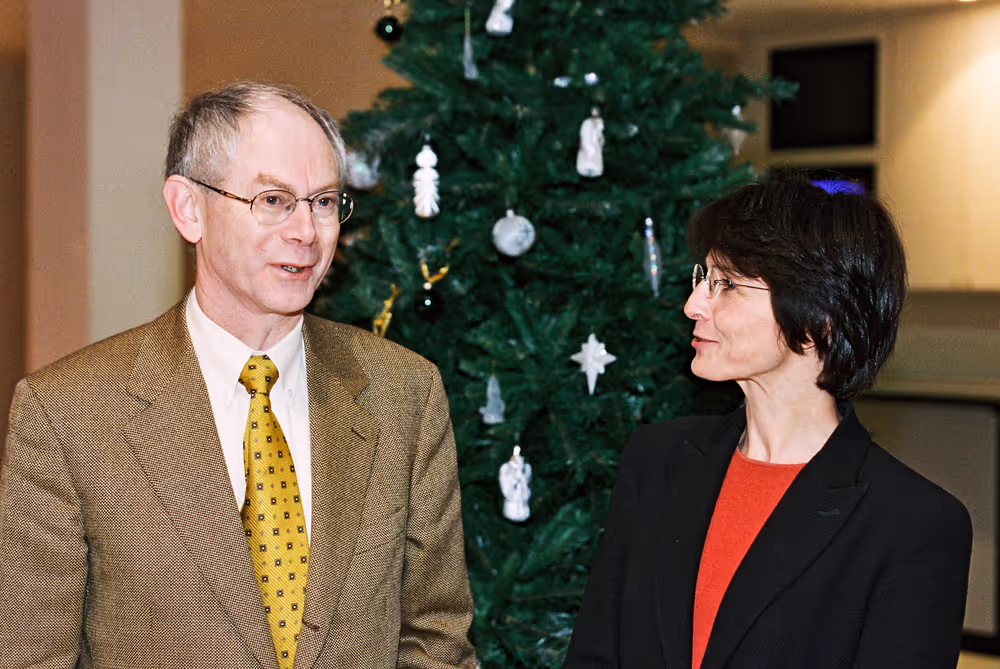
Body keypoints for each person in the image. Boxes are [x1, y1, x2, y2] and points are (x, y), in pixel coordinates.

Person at [0, 81, 476, 669]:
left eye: (324, 201)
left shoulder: (404, 393)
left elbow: (437, 638)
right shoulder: (68, 413)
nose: (306, 231)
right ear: (188, 209)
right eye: (274, 200)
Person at [564, 172, 972, 669]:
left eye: (727, 285)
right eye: (702, 279)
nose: (693, 305)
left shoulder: (914, 524)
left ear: (819, 315)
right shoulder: (656, 461)